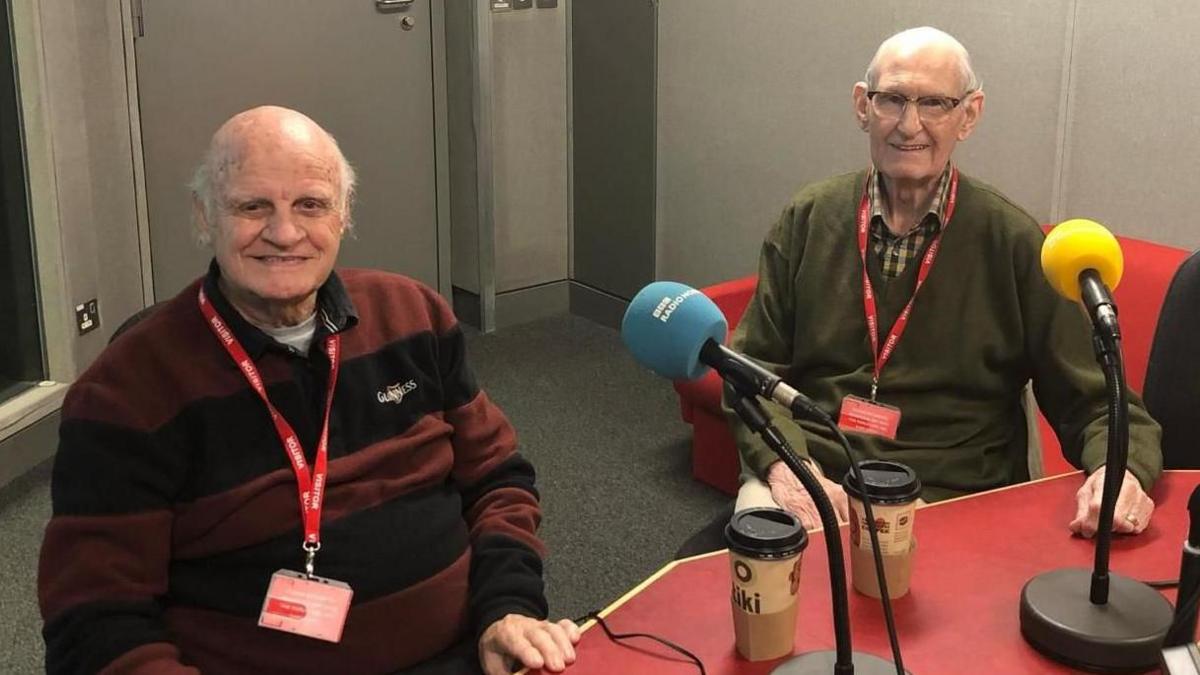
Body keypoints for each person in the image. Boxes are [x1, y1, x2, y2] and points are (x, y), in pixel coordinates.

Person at [38, 106, 579, 674]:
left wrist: (509, 609)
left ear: (343, 215)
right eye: (252, 207)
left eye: (311, 204)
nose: (285, 232)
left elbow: (497, 479)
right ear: (204, 217)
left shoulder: (413, 315)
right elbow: (95, 618)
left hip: (466, 655)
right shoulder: (129, 388)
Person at [726, 27, 1162, 538]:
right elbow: (749, 373)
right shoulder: (807, 218)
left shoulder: (1012, 240)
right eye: (892, 99)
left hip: (954, 494)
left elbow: (1095, 403)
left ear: (969, 115)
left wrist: (1120, 470)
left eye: (934, 103)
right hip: (817, 473)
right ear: (862, 106)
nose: (910, 125)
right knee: (758, 583)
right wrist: (789, 471)